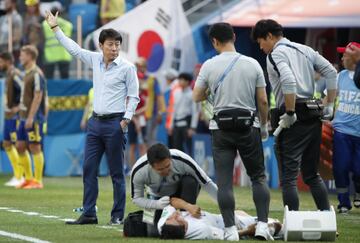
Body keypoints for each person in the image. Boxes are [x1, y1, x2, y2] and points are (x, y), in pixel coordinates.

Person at [45, 10, 139, 225]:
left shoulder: (128, 68)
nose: (114, 48)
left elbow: (134, 97)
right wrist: (55, 28)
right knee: (88, 168)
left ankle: (117, 216)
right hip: (95, 123)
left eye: (117, 44)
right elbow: (74, 49)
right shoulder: (95, 60)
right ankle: (89, 213)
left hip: (116, 123)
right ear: (101, 45)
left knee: (116, 173)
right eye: (110, 44)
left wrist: (125, 120)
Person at [193, 23, 271, 241]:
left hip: (221, 128)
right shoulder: (253, 63)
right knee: (258, 177)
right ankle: (263, 226)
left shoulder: (209, 65)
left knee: (225, 182)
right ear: (234, 37)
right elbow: (263, 101)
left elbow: (196, 96)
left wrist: (210, 91)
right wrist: (264, 127)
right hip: (249, 127)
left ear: (214, 42)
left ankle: (229, 230)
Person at [251, 19, 337, 212]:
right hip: (313, 112)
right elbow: (331, 72)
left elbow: (288, 80)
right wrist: (329, 104)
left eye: (260, 41)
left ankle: (293, 224)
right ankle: (328, 219)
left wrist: (290, 112)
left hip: (292, 116)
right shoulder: (305, 49)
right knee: (312, 175)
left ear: (270, 36)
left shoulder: (276, 54)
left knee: (289, 177)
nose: (261, 46)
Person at [130, 143, 218, 234]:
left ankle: (187, 218)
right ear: (150, 165)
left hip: (180, 194)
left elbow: (206, 182)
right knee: (152, 233)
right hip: (155, 197)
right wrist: (156, 204)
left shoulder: (181, 159)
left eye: (168, 166)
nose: (165, 171)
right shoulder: (139, 170)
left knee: (190, 181)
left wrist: (225, 204)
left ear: (170, 158)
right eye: (160, 169)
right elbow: (136, 198)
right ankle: (144, 216)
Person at [158, 197, 282, 240]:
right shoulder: (202, 231)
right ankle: (272, 231)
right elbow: (227, 235)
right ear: (184, 228)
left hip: (218, 217)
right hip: (224, 223)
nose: (174, 215)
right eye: (175, 218)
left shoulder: (163, 225)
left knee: (240, 212)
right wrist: (248, 231)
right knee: (275, 223)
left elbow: (172, 201)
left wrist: (188, 206)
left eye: (170, 218)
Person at [332, 42, 360, 213]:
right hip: (341, 131)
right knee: (340, 168)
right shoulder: (340, 76)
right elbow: (330, 97)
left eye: (345, 55)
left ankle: (358, 191)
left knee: (358, 169)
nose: (342, 58)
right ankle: (343, 203)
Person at [15, 45, 47, 190]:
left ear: (30, 56)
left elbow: (38, 95)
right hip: (22, 116)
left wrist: (30, 117)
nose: (20, 57)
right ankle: (28, 179)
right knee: (20, 146)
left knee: (35, 146)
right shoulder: (26, 73)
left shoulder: (36, 73)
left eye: (22, 55)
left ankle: (38, 180)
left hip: (33, 118)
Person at [0, 52, 23, 187]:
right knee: (7, 144)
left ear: (7, 61)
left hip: (15, 116)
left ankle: (20, 176)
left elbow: (26, 89)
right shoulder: (8, 74)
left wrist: (19, 107)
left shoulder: (15, 74)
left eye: (0, 61)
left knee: (16, 144)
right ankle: (17, 174)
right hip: (9, 115)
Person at [136, 57, 166, 146]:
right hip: (134, 116)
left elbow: (159, 96)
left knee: (149, 140)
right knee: (134, 143)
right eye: (138, 66)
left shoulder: (152, 80)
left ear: (146, 67)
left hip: (150, 115)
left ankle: (150, 159)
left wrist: (160, 112)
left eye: (142, 66)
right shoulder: (132, 79)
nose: (140, 68)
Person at [170, 72, 199, 154]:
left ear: (187, 82)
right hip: (177, 123)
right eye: (179, 79)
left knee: (188, 148)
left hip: (187, 123)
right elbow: (174, 110)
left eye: (182, 80)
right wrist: (171, 125)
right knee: (176, 147)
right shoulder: (176, 93)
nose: (180, 81)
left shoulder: (192, 94)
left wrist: (192, 128)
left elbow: (195, 111)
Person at [42, 6, 72, 79]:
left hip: (50, 55)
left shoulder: (44, 24)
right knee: (65, 79)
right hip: (64, 54)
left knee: (49, 79)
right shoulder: (68, 25)